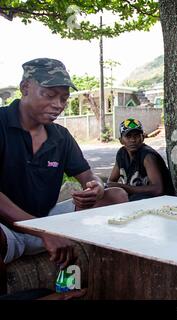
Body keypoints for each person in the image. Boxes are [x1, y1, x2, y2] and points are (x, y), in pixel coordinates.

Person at [0, 58, 128, 269]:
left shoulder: (61, 137)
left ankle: (103, 267)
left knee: (117, 196)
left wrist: (95, 187)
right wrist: (41, 231)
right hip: (8, 230)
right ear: (25, 88)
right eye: (50, 95)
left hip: (49, 221)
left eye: (64, 98)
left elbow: (88, 176)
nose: (58, 105)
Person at [107, 118, 175, 201]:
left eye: (136, 135)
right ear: (121, 140)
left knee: (133, 199)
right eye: (128, 136)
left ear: (142, 137)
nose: (133, 140)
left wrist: (124, 187)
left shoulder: (148, 156)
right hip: (140, 199)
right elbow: (111, 181)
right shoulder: (122, 154)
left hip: (160, 201)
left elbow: (158, 190)